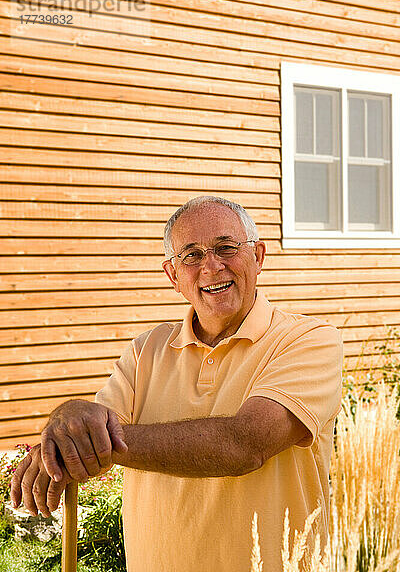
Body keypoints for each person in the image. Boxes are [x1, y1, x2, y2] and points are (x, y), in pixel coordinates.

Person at [11, 196, 343, 571]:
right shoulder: (145, 352)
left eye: (226, 247)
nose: (212, 266)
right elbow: (89, 426)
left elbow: (245, 444)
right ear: (173, 275)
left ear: (259, 256)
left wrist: (98, 442)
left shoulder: (309, 340)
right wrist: (66, 420)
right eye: (192, 255)